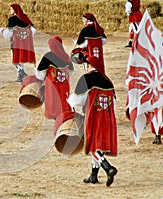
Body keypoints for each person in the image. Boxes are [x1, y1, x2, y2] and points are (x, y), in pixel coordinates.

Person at [68, 56, 118, 187]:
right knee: (97, 144)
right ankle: (93, 175)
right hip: (107, 117)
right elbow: (114, 102)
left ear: (88, 65)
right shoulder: (108, 81)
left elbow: (78, 100)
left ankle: (108, 168)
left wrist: (69, 102)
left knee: (91, 144)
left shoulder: (86, 78)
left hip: (93, 115)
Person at [34, 36, 74, 119]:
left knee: (51, 99)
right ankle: (64, 113)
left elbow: (40, 75)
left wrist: (35, 70)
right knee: (63, 100)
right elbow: (70, 73)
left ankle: (54, 114)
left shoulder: (48, 56)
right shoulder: (67, 57)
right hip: (64, 85)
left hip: (52, 86)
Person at [0, 3, 36, 83]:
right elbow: (32, 30)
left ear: (15, 10)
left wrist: (2, 31)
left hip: (16, 43)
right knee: (21, 58)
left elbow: (8, 34)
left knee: (15, 58)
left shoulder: (12, 20)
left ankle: (21, 73)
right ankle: (21, 74)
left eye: (11, 9)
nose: (10, 11)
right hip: (25, 42)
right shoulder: (25, 17)